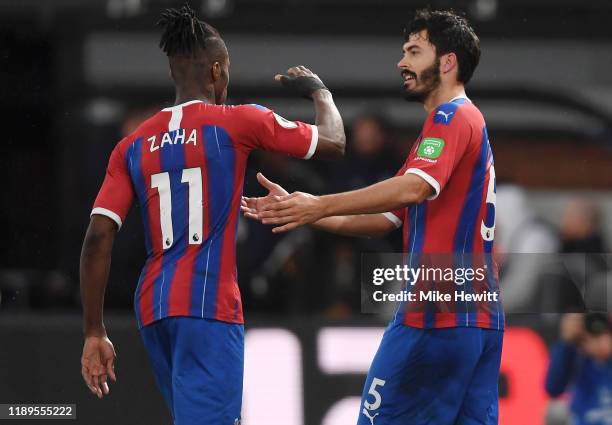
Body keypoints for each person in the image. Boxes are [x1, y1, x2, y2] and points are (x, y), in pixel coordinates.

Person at [78, 3, 345, 424]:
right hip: (207, 304)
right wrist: (319, 92)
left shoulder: (132, 144)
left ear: (172, 73)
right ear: (217, 71)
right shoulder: (236, 122)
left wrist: (94, 330)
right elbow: (333, 140)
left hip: (153, 308)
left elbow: (97, 237)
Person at [243, 9, 504, 424]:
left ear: (448, 61)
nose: (402, 62)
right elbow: (389, 217)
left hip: (433, 314)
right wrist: (304, 209)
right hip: (478, 316)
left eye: (415, 51)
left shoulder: (451, 117)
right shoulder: (461, 126)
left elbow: (414, 187)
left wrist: (320, 205)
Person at [545, 313, 612, 425]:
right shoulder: (577, 357)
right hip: (584, 420)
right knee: (553, 410)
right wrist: (566, 342)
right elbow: (553, 389)